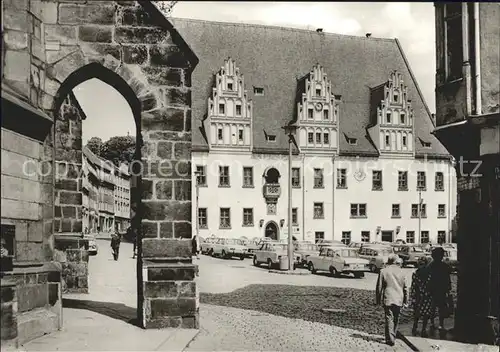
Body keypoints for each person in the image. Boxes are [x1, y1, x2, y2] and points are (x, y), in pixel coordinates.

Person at [376, 253, 409, 346]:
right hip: (399, 298)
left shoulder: (383, 271)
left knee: (389, 318)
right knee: (396, 318)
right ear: (396, 261)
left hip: (388, 297)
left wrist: (378, 300)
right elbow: (406, 287)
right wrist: (406, 300)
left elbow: (379, 287)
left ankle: (390, 338)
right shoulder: (402, 272)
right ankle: (392, 335)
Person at [427, 247, 453, 332]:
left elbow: (428, 278)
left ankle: (432, 323)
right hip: (441, 289)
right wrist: (448, 289)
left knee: (432, 307)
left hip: (433, 289)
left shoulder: (430, 266)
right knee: (441, 307)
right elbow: (447, 278)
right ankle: (441, 324)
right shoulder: (444, 266)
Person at [410, 256, 434, 336]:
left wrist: (412, 296)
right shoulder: (429, 273)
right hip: (427, 296)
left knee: (417, 313)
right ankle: (423, 329)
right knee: (425, 314)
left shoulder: (416, 273)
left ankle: (415, 327)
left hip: (419, 296)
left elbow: (413, 286)